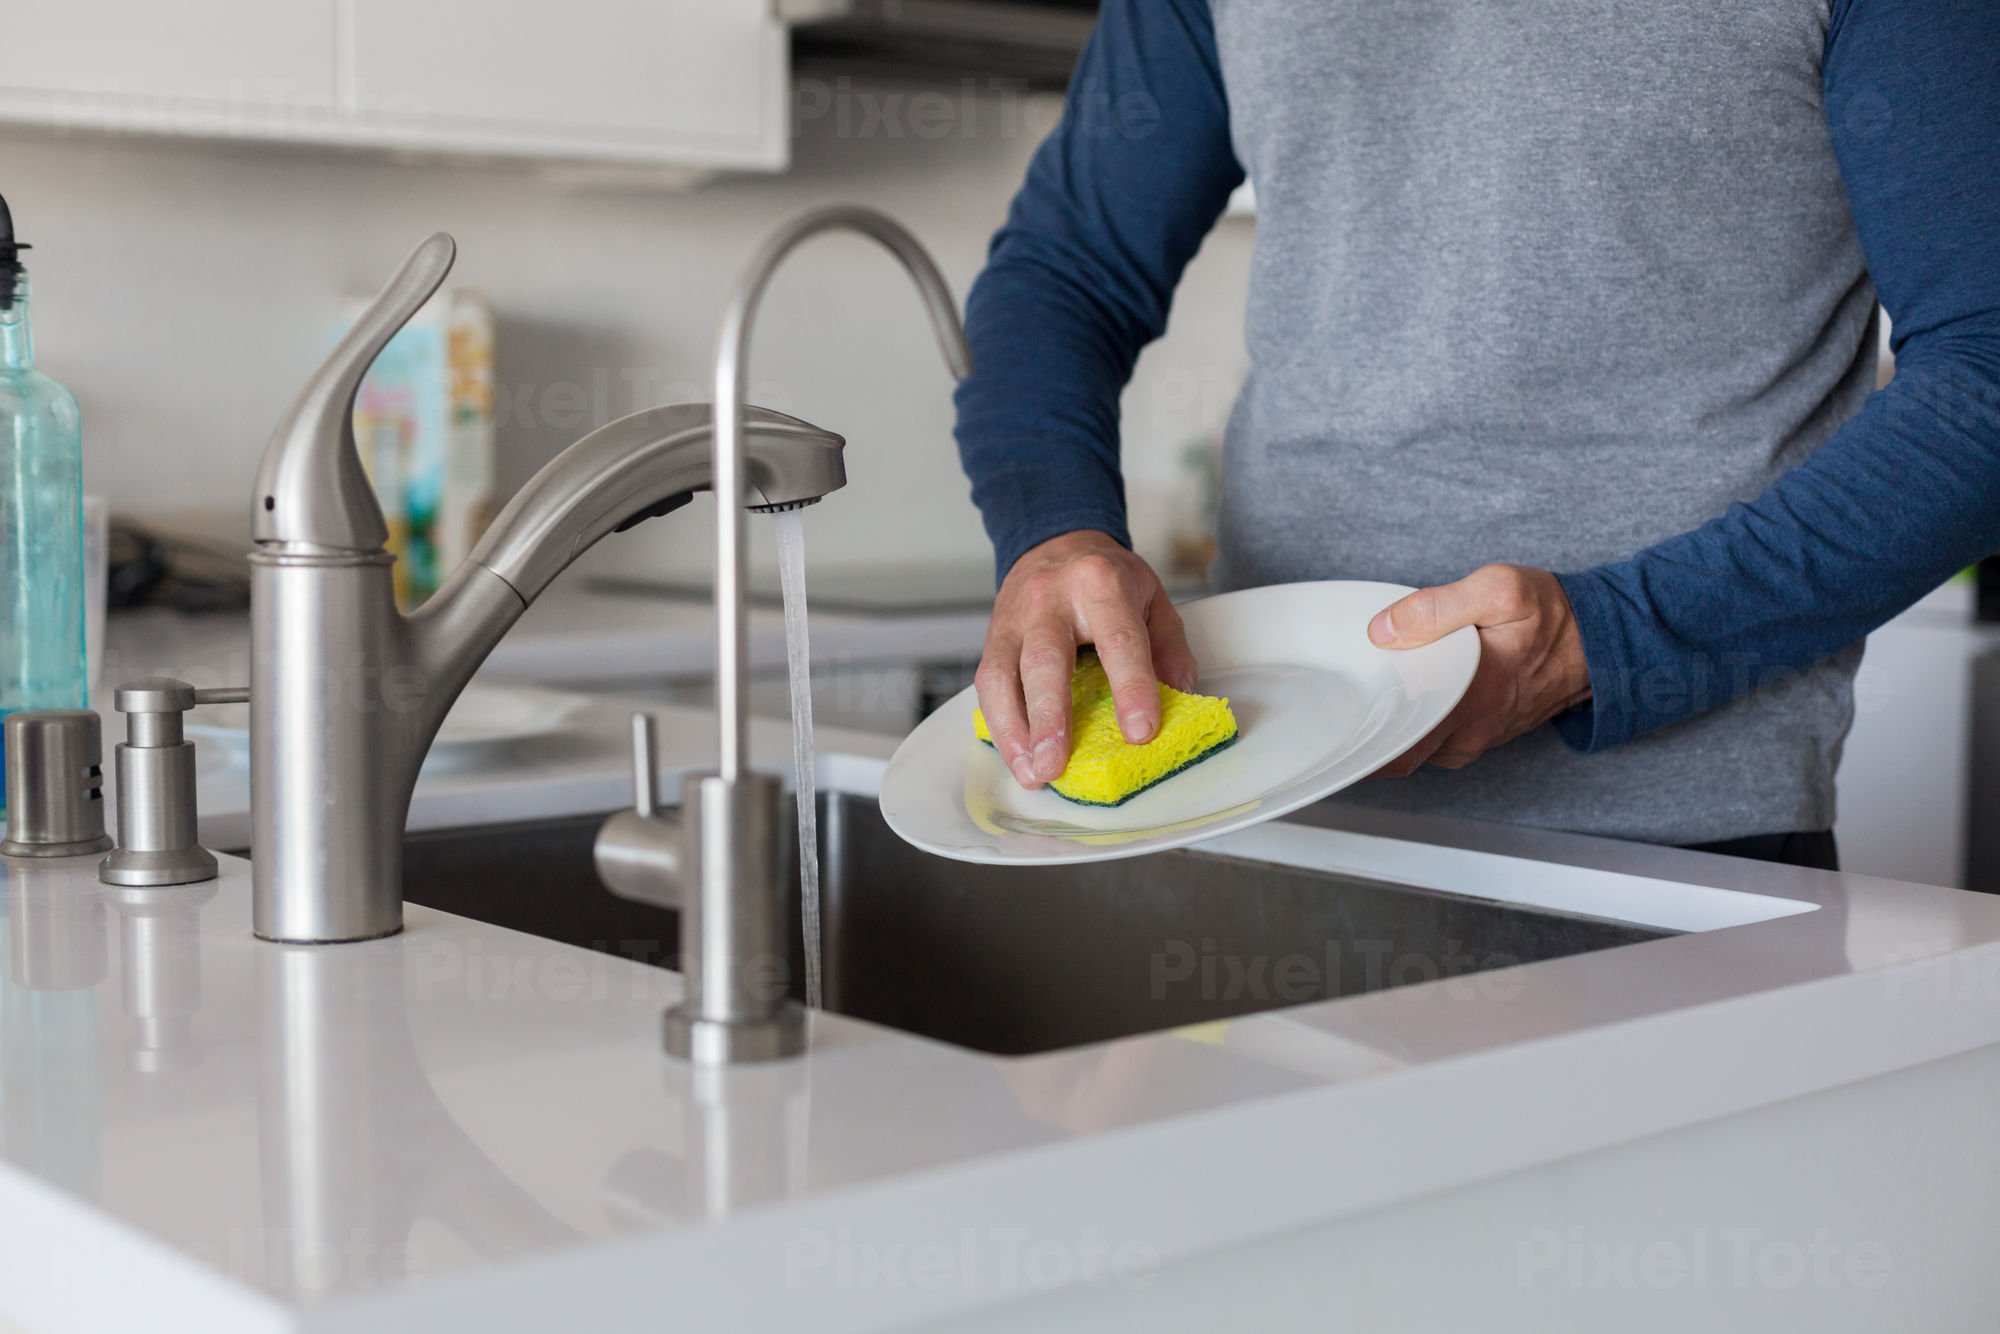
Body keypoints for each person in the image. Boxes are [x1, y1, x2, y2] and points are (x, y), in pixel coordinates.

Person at [951, 0, 2000, 869]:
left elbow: (1985, 369)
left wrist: (1613, 639)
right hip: (1263, 812)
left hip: (1678, 856)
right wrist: (1055, 531)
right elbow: (1064, 273)